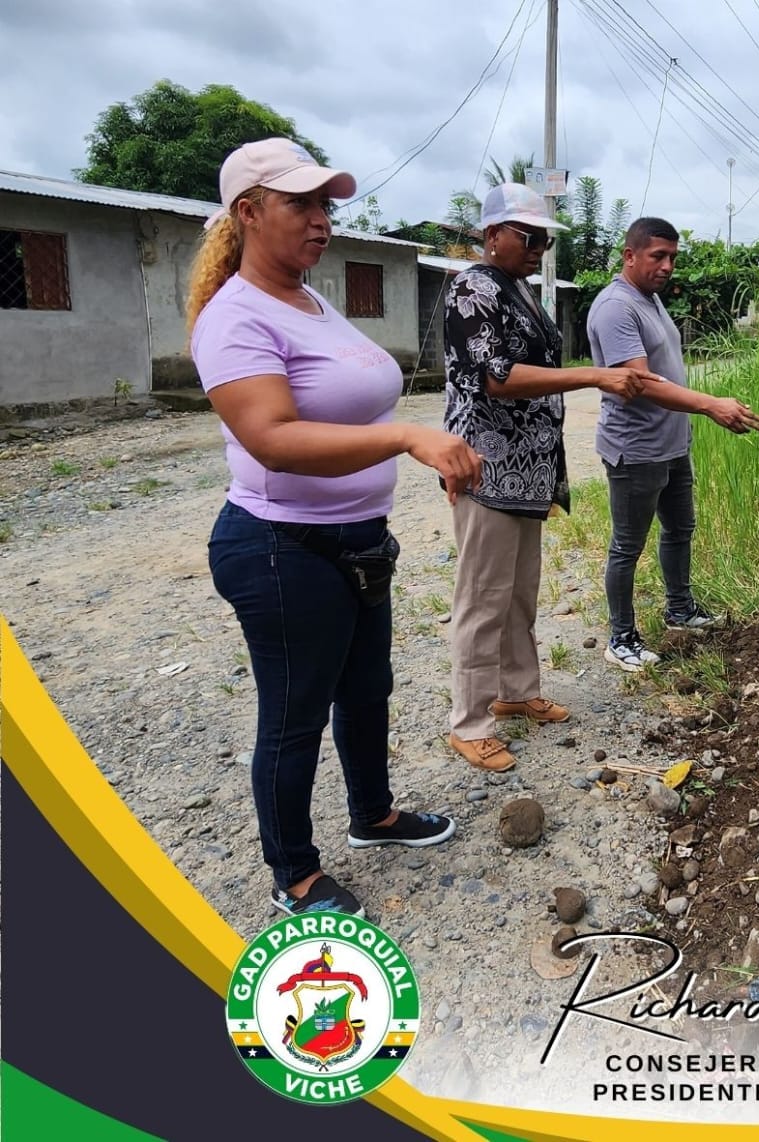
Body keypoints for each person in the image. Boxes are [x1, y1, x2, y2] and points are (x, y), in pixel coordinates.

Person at [190, 138, 482, 918]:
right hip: (282, 547)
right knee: (295, 716)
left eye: (326, 205)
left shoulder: (310, 302)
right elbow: (272, 439)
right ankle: (294, 874)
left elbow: (347, 405)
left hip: (357, 539)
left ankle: (373, 816)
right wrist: (407, 437)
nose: (322, 220)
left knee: (366, 690)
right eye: (302, 204)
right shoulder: (234, 316)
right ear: (249, 212)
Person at [441, 183, 653, 771]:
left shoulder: (518, 288)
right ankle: (470, 722)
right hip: (487, 466)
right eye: (528, 237)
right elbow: (496, 377)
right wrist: (594, 376)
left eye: (544, 240)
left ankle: (516, 691)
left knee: (518, 591)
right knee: (482, 597)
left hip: (526, 472)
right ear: (492, 234)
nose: (538, 249)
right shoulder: (473, 288)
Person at [586, 217, 759, 672]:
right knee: (627, 546)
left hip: (671, 444)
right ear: (630, 256)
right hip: (636, 449)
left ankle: (680, 610)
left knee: (680, 528)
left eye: (672, 258)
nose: (667, 266)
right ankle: (621, 638)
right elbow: (640, 382)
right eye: (658, 256)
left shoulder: (650, 299)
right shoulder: (616, 307)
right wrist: (709, 405)